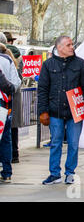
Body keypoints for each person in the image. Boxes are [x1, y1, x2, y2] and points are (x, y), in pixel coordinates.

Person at [37, 35, 84, 185]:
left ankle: (70, 172)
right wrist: (43, 111)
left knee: (73, 143)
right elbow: (42, 89)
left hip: (75, 112)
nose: (72, 47)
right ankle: (55, 174)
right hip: (55, 111)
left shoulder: (80, 64)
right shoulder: (48, 65)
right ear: (59, 47)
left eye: (72, 44)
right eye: (68, 45)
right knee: (56, 142)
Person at [0, 38, 22, 183]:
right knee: (6, 138)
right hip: (5, 103)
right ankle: (7, 171)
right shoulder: (8, 60)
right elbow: (17, 83)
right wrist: (9, 90)